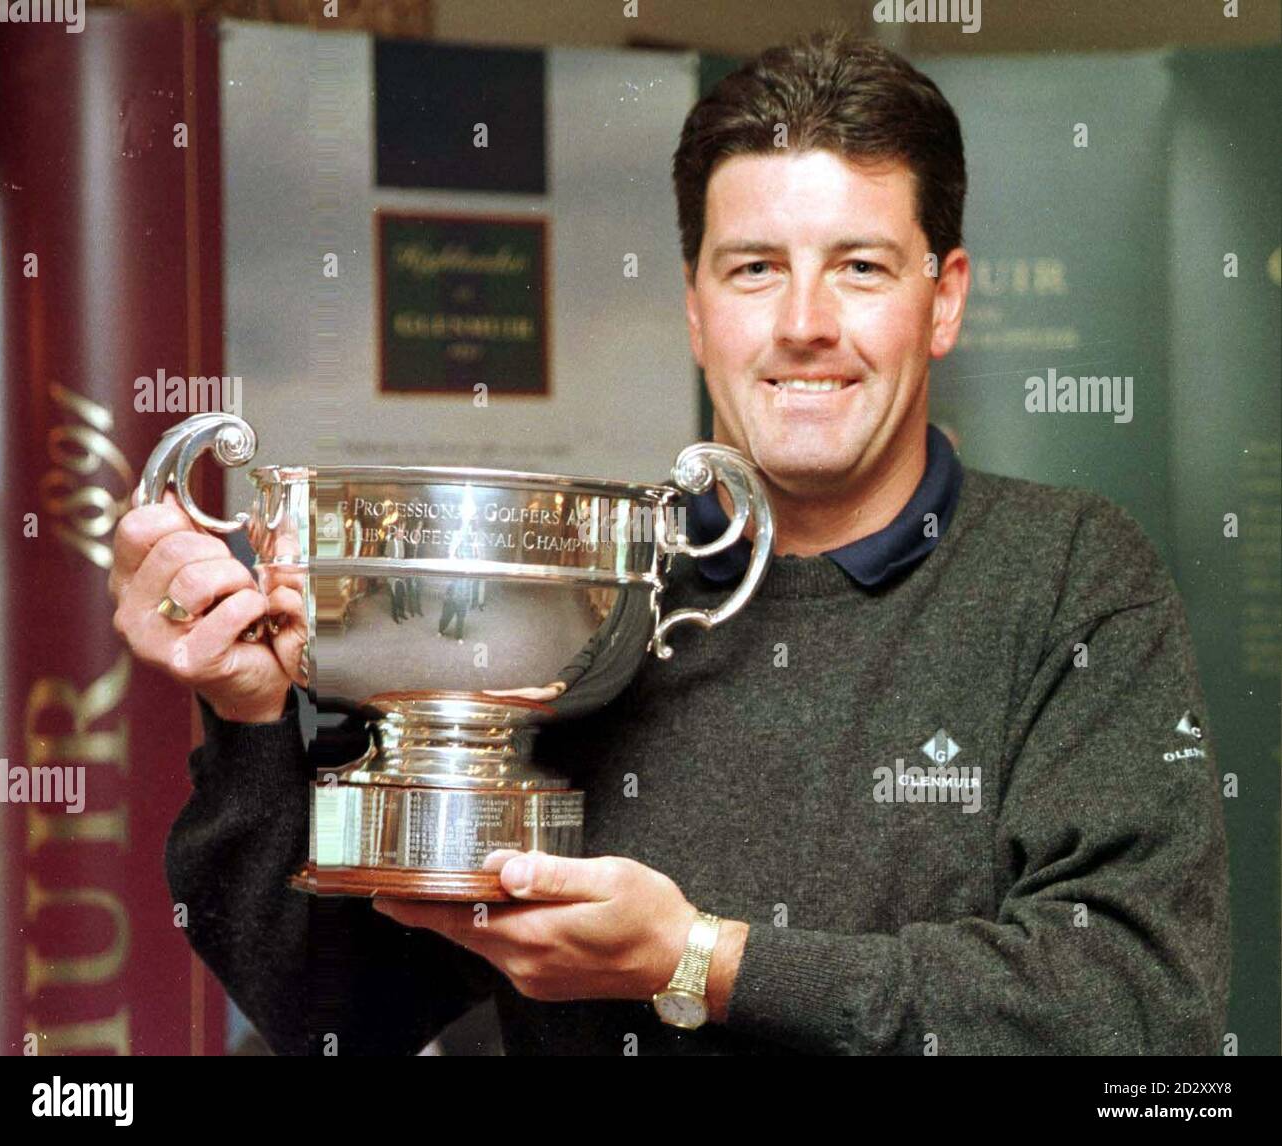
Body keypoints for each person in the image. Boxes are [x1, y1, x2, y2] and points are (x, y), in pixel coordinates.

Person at [111, 31, 1229, 1055]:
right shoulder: (572, 605)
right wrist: (253, 719)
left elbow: (1138, 1008)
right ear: (694, 308)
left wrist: (704, 959)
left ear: (943, 300)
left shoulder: (1073, 579)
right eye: (753, 268)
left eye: (861, 266)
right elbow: (334, 1013)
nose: (803, 323)